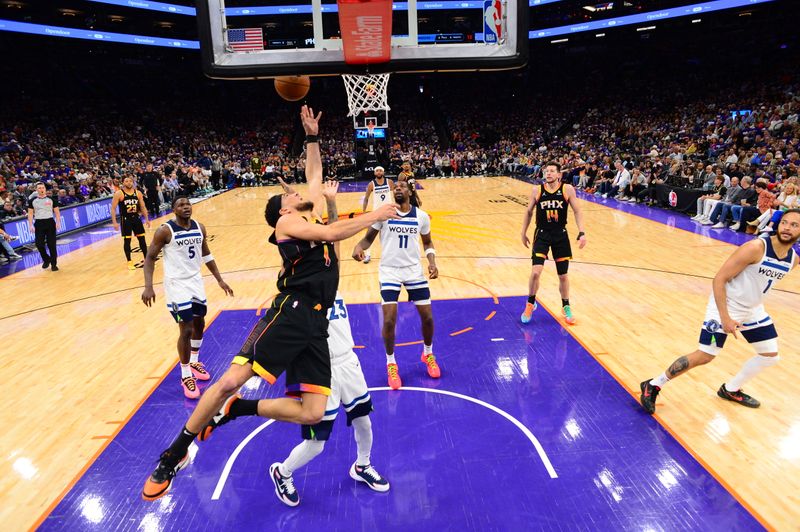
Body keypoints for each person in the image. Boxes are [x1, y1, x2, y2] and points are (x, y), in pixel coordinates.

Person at [141, 106, 399, 502]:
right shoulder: (285, 225)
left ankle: (241, 410)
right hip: (291, 310)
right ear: (283, 209)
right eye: (289, 194)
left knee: (312, 413)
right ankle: (172, 454)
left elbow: (314, 174)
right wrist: (374, 215)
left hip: (316, 323)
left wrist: (311, 136)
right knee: (230, 379)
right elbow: (334, 229)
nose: (297, 191)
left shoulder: (308, 218)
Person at [268, 180, 389, 507]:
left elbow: (333, 239)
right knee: (317, 443)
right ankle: (283, 471)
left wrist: (332, 202)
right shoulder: (295, 287)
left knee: (364, 419)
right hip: (319, 367)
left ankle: (362, 465)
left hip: (346, 360)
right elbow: (325, 238)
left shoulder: (327, 275)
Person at [640, 210, 800, 413]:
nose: (787, 227)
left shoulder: (793, 258)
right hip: (726, 305)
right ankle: (653, 384)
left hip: (753, 310)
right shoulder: (755, 248)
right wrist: (725, 317)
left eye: (794, 225)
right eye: (784, 222)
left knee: (770, 355)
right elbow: (719, 279)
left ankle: (730, 389)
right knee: (706, 355)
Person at [141, 196, 234, 399]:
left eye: (188, 204)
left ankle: (194, 361)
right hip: (176, 284)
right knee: (187, 328)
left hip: (195, 281)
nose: (186, 207)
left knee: (200, 323)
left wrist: (219, 279)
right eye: (181, 205)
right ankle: (185, 375)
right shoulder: (165, 231)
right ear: (173, 209)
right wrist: (148, 286)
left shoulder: (199, 227)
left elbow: (206, 254)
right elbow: (149, 258)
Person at [352, 180, 439, 390]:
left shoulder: (421, 216)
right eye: (395, 187)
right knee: (389, 320)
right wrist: (358, 246)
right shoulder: (384, 214)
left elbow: (427, 242)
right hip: (389, 271)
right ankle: (391, 363)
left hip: (413, 271)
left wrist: (432, 262)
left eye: (401, 186)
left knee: (427, 317)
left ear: (410, 191)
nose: (397, 188)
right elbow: (367, 240)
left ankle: (428, 353)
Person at [520, 161, 587, 325]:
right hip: (541, 234)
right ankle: (530, 303)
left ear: (559, 174)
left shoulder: (567, 189)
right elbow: (529, 212)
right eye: (546, 171)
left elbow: (577, 210)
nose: (548, 173)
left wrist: (582, 232)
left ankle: (566, 306)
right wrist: (523, 232)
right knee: (536, 272)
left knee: (563, 275)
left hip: (560, 235)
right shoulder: (537, 190)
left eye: (551, 171)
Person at [110, 176, 150, 270]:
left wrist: (147, 219)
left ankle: (147, 259)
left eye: (130, 181)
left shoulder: (138, 193)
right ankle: (129, 261)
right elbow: (113, 208)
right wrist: (114, 222)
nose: (129, 183)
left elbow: (143, 207)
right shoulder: (119, 193)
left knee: (142, 240)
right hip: (126, 219)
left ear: (133, 182)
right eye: (126, 181)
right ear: (123, 183)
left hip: (136, 218)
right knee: (127, 241)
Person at [360, 166, 394, 264]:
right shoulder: (371, 184)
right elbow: (366, 198)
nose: (379, 172)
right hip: (376, 213)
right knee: (369, 235)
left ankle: (388, 255)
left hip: (388, 213)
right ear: (375, 173)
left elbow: (396, 194)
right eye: (377, 171)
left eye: (380, 171)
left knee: (387, 236)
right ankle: (367, 255)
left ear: (383, 172)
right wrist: (364, 212)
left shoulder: (390, 182)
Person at [27, 182, 61, 271]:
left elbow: (57, 212)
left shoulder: (51, 199)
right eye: (39, 188)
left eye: (42, 188)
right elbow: (30, 214)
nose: (41, 189)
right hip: (39, 223)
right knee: (39, 244)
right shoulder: (32, 200)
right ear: (36, 190)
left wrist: (58, 222)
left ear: (45, 189)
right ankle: (46, 259)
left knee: (51, 245)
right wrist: (30, 225)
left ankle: (54, 264)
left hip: (50, 222)